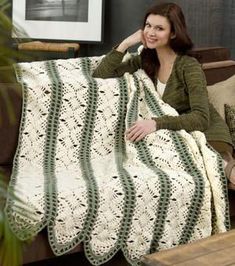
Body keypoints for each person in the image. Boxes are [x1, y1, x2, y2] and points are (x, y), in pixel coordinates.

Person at [92, 2, 235, 187]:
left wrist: (156, 123)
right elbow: (100, 75)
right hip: (177, 135)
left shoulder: (188, 66)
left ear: (173, 33)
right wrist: (127, 42)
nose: (151, 32)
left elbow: (201, 118)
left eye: (159, 28)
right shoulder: (146, 60)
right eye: (148, 26)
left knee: (217, 170)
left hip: (208, 135)